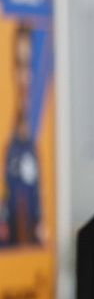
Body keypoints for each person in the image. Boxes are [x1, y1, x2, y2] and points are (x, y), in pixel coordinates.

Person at [1, 23, 41, 247]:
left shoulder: (35, 145)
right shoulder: (10, 145)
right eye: (19, 65)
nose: (24, 78)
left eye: (28, 66)